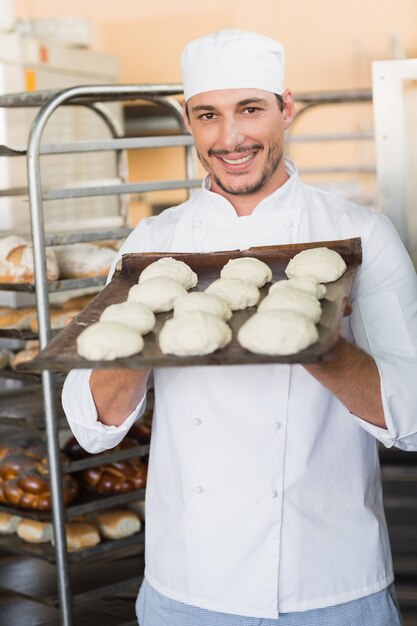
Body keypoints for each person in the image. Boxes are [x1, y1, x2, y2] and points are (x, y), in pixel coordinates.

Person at [62, 29, 417, 625]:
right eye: (209, 116)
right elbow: (90, 426)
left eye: (250, 110)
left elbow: (413, 419)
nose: (230, 138)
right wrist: (144, 329)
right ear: (189, 121)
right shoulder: (155, 246)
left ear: (286, 109)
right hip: (187, 587)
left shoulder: (365, 236)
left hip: (332, 584)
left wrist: (320, 343)